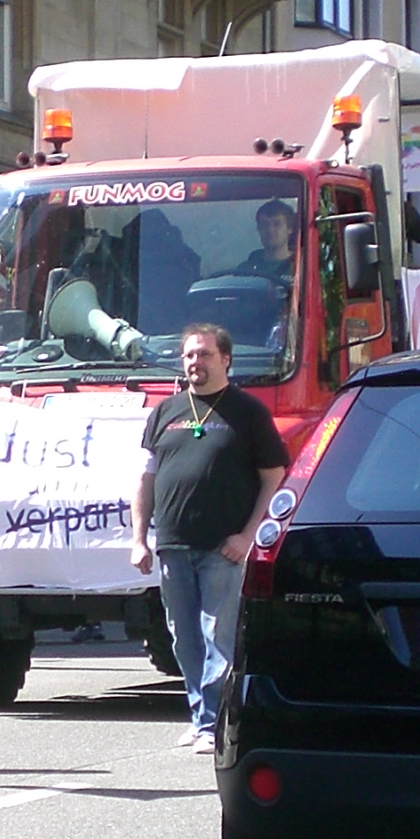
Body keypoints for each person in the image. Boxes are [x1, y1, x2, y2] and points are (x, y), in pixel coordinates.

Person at [130, 323, 288, 755]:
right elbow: (144, 479)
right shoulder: (165, 412)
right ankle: (201, 715)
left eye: (204, 354)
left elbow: (274, 477)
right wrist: (139, 538)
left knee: (218, 635)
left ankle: (213, 723)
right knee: (184, 639)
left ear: (226, 360)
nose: (194, 363)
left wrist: (248, 535)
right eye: (188, 355)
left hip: (223, 547)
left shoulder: (248, 412)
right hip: (173, 545)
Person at [235, 198, 300, 289]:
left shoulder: (301, 267)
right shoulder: (245, 271)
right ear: (259, 229)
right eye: (265, 224)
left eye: (277, 224)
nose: (270, 230)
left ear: (290, 229)